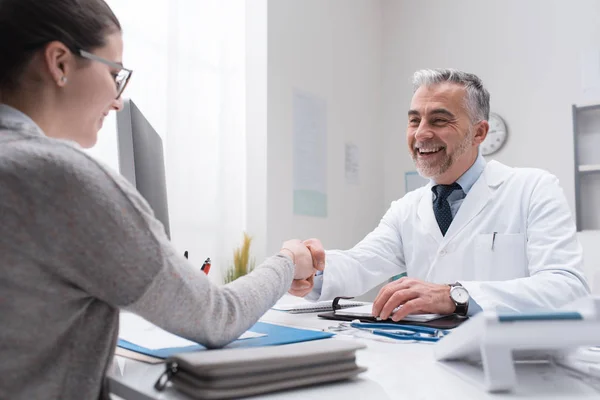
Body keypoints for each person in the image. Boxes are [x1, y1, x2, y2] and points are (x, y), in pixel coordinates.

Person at [0, 1, 316, 399]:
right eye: (114, 74)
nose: (116, 100)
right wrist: (288, 261)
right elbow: (217, 317)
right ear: (60, 63)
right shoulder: (61, 177)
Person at [287, 68, 590, 322]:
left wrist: (455, 296)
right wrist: (312, 268)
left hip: (519, 367)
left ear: (479, 133)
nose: (420, 133)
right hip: (427, 362)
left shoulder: (533, 188)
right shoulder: (406, 209)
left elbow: (566, 288)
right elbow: (361, 263)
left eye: (439, 120)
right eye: (414, 119)